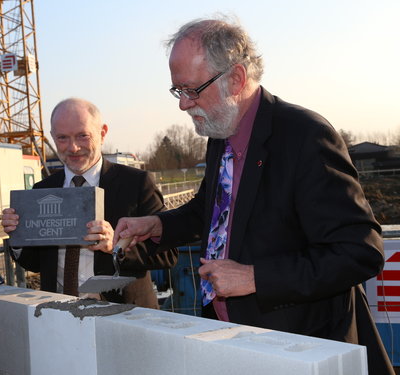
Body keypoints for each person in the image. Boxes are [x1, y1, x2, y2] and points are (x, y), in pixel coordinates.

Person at [113, 17, 394, 373]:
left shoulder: (304, 135)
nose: (183, 105)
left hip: (298, 347)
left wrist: (254, 278)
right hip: (232, 339)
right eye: (177, 91)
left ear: (236, 78)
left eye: (192, 89)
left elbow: (360, 251)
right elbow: (213, 211)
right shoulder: (221, 132)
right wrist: (157, 225)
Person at [2, 98, 177, 308]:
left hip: (123, 315)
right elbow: (34, 263)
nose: (73, 147)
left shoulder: (137, 183)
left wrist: (116, 246)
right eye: (63, 138)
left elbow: (168, 254)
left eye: (82, 136)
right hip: (58, 311)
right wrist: (19, 237)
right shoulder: (41, 190)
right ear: (53, 138)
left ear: (102, 133)